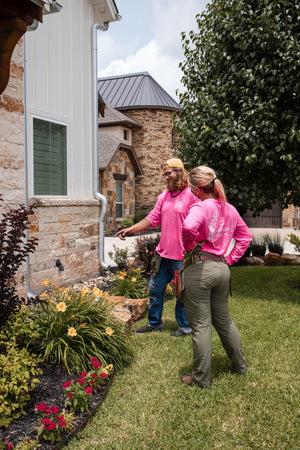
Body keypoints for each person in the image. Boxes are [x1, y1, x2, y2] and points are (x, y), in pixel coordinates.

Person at [180, 165, 252, 387]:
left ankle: (201, 379)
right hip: (222, 269)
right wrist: (229, 259)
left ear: (197, 189)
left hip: (201, 269)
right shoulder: (229, 208)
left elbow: (188, 227)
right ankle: (240, 367)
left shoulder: (200, 207)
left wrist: (199, 239)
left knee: (201, 326)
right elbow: (245, 237)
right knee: (224, 321)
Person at [115, 158, 198, 336]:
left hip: (182, 255)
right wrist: (131, 229)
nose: (166, 177)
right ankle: (154, 323)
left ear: (180, 172)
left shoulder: (192, 195)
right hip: (163, 254)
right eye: (164, 174)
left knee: (182, 293)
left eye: (169, 173)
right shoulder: (164, 196)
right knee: (155, 289)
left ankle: (184, 326)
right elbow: (152, 219)